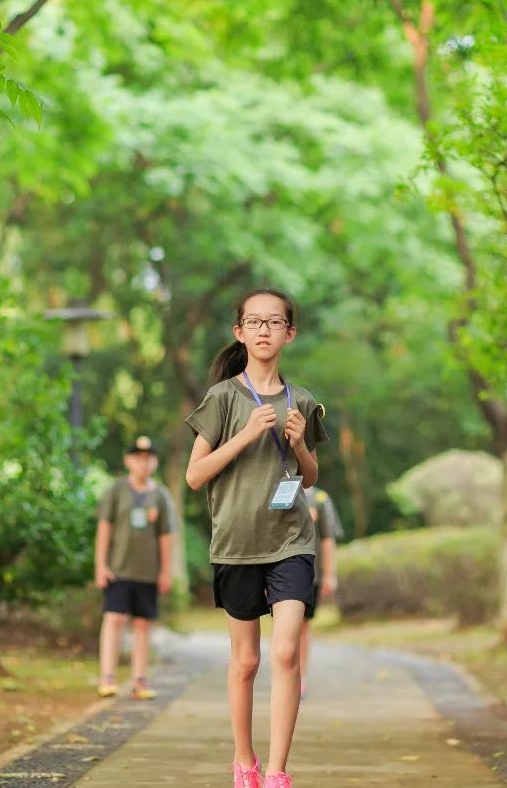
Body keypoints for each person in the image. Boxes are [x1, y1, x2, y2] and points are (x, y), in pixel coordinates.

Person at [185, 288, 329, 788]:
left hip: (291, 540)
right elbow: (194, 476)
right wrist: (244, 436)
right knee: (246, 661)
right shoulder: (222, 399)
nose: (264, 330)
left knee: (286, 651)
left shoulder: (303, 402)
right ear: (239, 332)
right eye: (254, 322)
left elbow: (307, 476)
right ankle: (243, 762)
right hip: (237, 544)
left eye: (275, 322)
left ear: (290, 333)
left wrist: (297, 444)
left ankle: (276, 772)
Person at [94, 435, 175, 700]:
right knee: (114, 619)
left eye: (149, 458)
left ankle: (140, 680)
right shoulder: (117, 490)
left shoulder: (160, 495)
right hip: (118, 569)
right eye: (138, 458)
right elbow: (105, 527)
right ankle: (108, 676)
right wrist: (100, 565)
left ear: (155, 462)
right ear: (129, 461)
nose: (144, 463)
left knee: (143, 624)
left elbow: (166, 535)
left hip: (148, 572)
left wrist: (165, 571)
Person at [299, 487, 343, 698]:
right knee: (284, 626)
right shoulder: (275, 488)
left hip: (311, 573)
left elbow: (328, 538)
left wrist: (329, 574)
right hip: (279, 574)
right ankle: (285, 675)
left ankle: (301, 679)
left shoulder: (320, 498)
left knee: (303, 625)